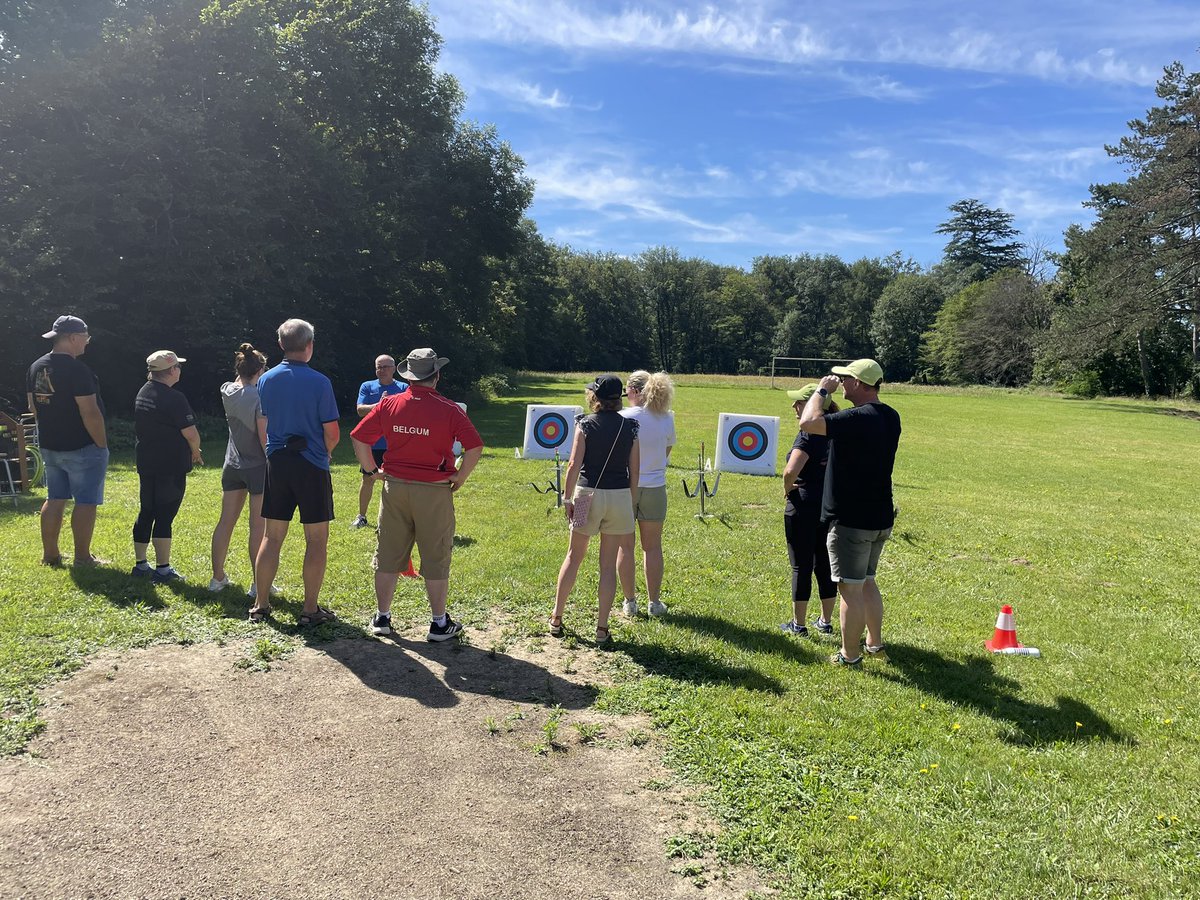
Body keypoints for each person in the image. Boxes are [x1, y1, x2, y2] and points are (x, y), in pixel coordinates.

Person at [350, 348, 482, 641]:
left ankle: (382, 618)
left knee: (387, 555)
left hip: (394, 487)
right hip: (434, 491)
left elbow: (358, 437)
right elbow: (475, 446)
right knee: (435, 556)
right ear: (436, 375)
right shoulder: (449, 409)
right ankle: (438, 623)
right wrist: (460, 476)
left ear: (408, 376)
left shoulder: (389, 404)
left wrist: (372, 471)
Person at [799, 359, 901, 667]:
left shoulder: (856, 418)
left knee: (849, 590)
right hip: (879, 515)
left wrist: (821, 391)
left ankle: (850, 654)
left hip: (851, 520)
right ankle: (874, 644)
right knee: (868, 580)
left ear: (858, 383)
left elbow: (808, 422)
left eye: (845, 380)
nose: (840, 384)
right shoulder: (890, 416)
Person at [252, 319, 340, 625]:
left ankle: (261, 605)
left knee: (271, 536)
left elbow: (267, 419)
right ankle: (310, 610)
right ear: (310, 345)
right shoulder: (320, 382)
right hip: (311, 464)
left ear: (280, 345)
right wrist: (326, 452)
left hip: (277, 462)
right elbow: (332, 431)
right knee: (316, 540)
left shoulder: (266, 380)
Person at [550, 374, 639, 646]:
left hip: (586, 495)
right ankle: (601, 628)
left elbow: (574, 465)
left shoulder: (584, 424)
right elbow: (634, 471)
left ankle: (556, 618)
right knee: (607, 565)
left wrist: (567, 499)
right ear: (618, 399)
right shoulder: (632, 427)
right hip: (620, 497)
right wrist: (630, 503)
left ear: (595, 398)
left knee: (574, 556)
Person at [26, 315, 109, 567]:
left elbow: (33, 406)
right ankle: (83, 558)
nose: (87, 342)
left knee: (55, 498)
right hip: (82, 446)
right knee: (86, 501)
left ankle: (50, 555)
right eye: (86, 337)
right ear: (73, 338)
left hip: (50, 445)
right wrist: (101, 444)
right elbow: (89, 412)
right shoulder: (77, 370)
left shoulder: (36, 366)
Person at [209, 343, 273, 598]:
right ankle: (258, 584)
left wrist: (248, 365)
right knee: (258, 527)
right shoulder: (259, 397)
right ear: (260, 370)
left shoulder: (227, 390)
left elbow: (238, 380)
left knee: (225, 522)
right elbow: (262, 436)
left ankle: (217, 578)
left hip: (232, 464)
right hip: (256, 465)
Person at [131, 351, 202, 582]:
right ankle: (163, 569)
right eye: (178, 367)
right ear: (171, 371)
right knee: (164, 515)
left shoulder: (143, 392)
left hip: (147, 461)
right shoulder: (174, 398)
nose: (180, 370)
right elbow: (190, 432)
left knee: (146, 510)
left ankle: (141, 565)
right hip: (170, 465)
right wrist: (195, 451)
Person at [779, 384, 838, 638]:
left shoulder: (806, 435)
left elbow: (791, 471)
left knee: (800, 565)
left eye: (799, 403)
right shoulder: (836, 429)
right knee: (824, 563)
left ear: (812, 404)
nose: (794, 406)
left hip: (803, 504)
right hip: (827, 505)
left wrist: (787, 488)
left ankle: (799, 624)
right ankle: (825, 621)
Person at [617, 370, 675, 618]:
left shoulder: (624, 416)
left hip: (625, 487)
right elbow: (666, 450)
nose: (625, 394)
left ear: (635, 391)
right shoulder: (666, 418)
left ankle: (630, 602)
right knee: (652, 548)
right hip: (655, 488)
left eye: (627, 390)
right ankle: (654, 603)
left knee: (625, 546)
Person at [351, 354, 408, 529]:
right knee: (368, 479)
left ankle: (397, 519)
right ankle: (361, 516)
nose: (382, 370)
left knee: (397, 482)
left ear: (394, 368)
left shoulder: (404, 387)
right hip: (373, 444)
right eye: (379, 367)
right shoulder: (367, 386)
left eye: (385, 367)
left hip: (395, 443)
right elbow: (360, 410)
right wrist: (379, 405)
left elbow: (408, 411)